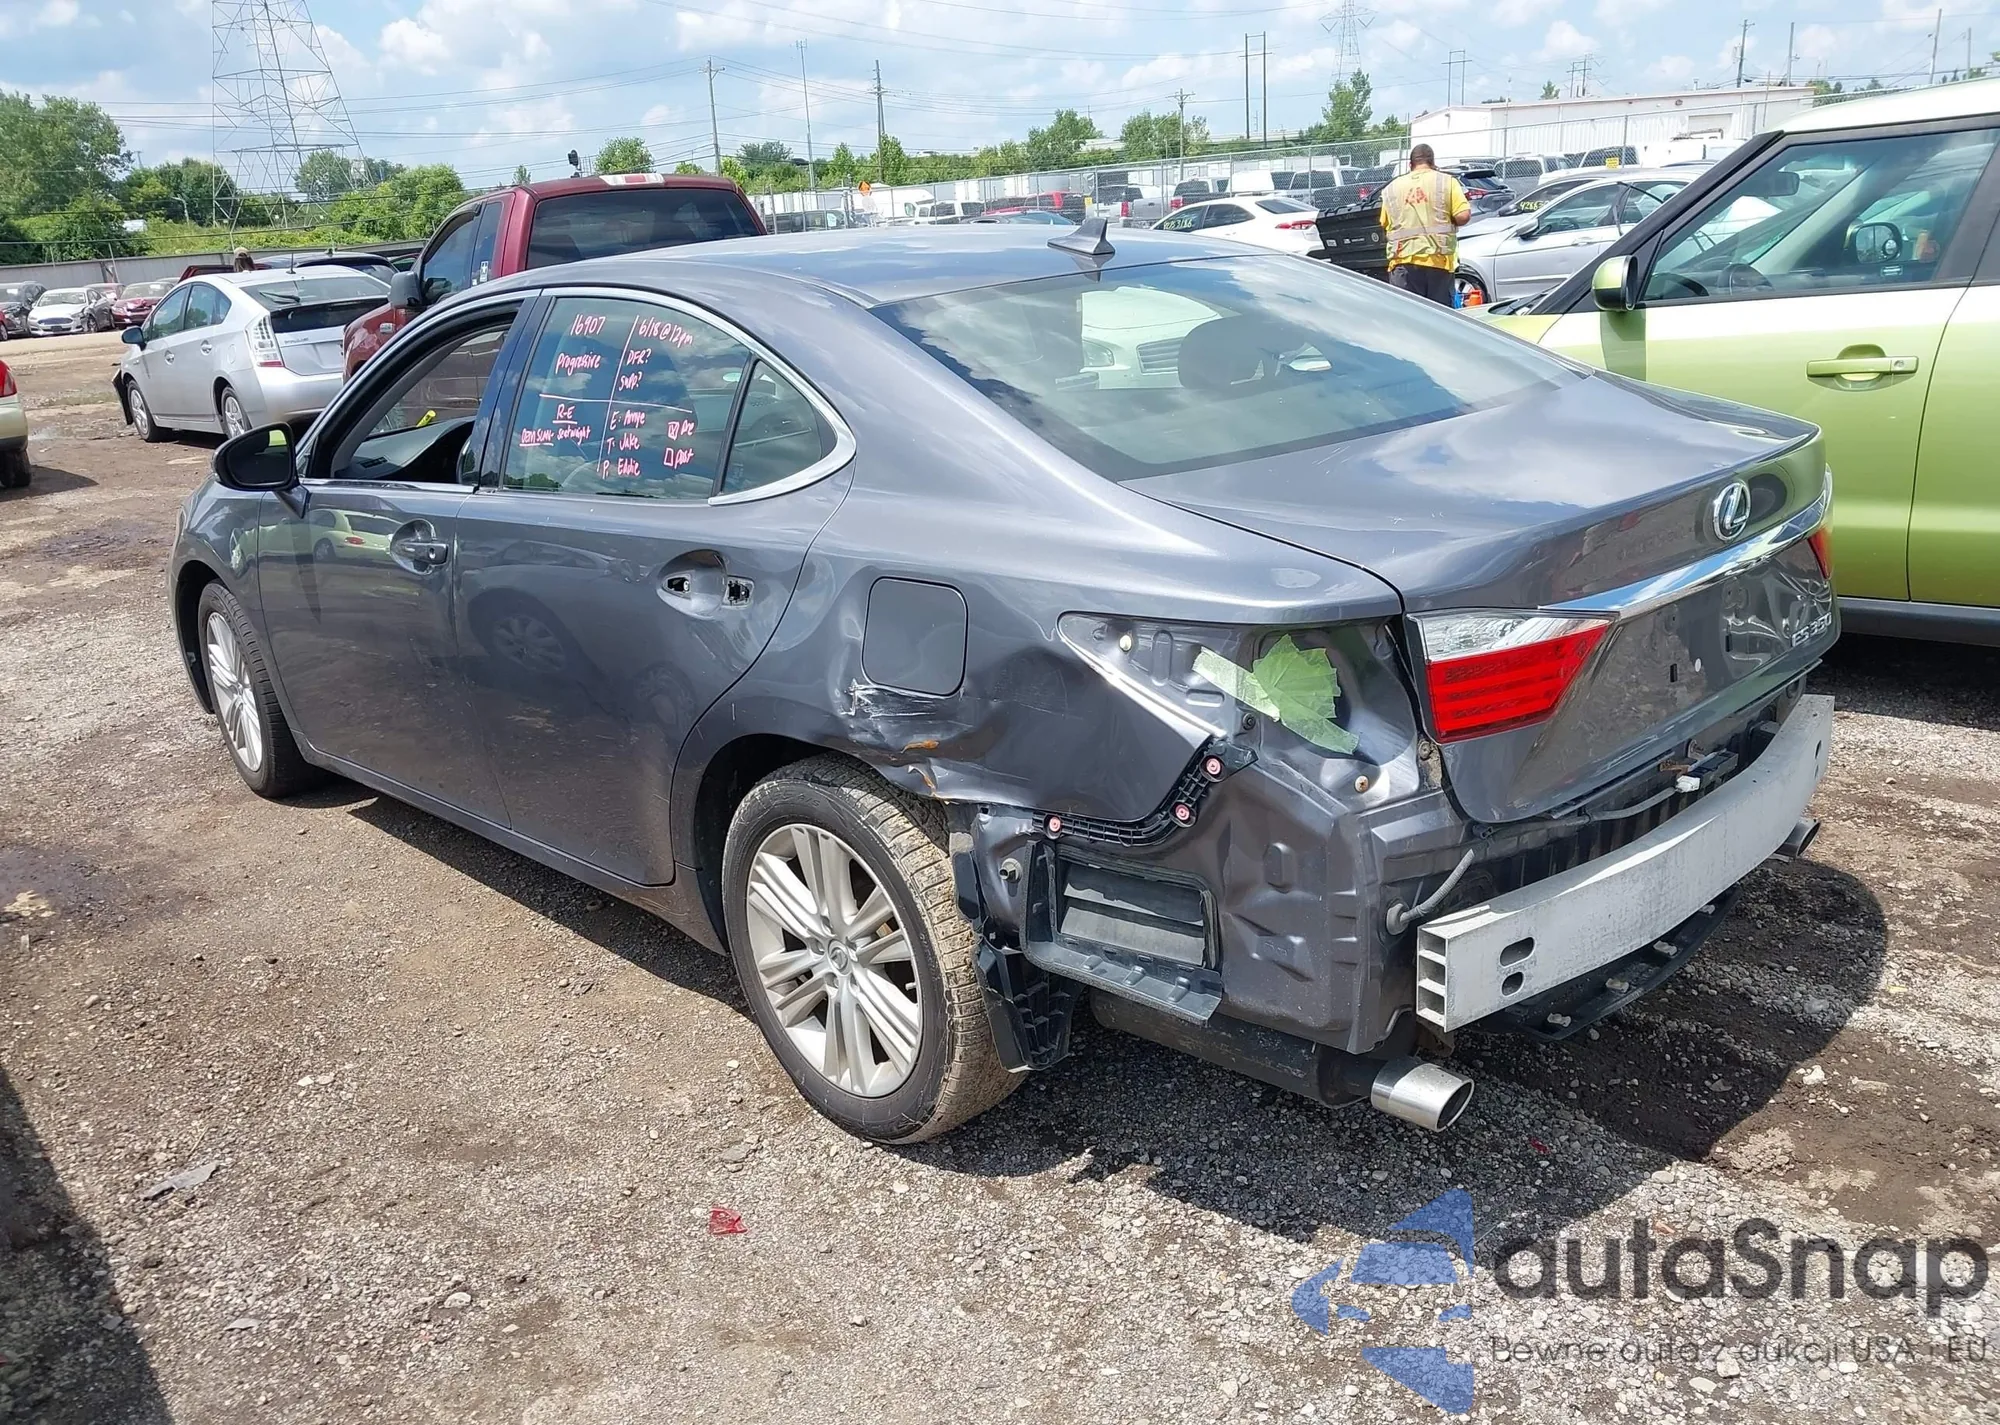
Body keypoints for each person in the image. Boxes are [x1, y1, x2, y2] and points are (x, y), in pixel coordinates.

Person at [1378, 145, 1471, 305]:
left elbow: (1384, 223)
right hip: (1438, 261)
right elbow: (1463, 216)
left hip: (1402, 263)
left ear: (1410, 164)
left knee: (1407, 315)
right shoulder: (1446, 182)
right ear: (1432, 163)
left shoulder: (1391, 188)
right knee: (1438, 316)